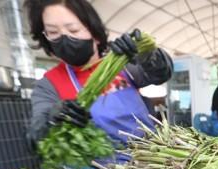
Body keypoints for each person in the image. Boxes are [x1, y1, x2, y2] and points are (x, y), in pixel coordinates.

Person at [24, 0, 173, 156]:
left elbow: (161, 74)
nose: (65, 39)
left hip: (152, 160)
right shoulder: (49, 84)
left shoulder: (120, 59)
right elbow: (35, 139)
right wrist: (52, 118)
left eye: (73, 30)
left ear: (94, 33)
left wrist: (146, 53)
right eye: (53, 33)